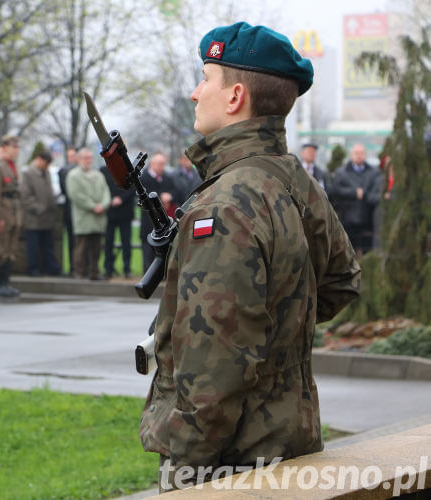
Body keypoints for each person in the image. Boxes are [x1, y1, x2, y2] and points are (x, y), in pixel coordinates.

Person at [139, 22, 361, 492]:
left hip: (233, 464)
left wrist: (185, 474)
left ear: (235, 96)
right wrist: (278, 328)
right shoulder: (293, 179)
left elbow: (211, 376)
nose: (196, 93)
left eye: (206, 79)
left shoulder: (223, 206)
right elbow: (341, 281)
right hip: (289, 440)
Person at [65, 148, 110, 280]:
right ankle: (80, 272)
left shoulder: (98, 175)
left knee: (96, 247)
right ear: (79, 159)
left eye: (90, 157)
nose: (88, 160)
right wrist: (92, 206)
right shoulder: (73, 175)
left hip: (98, 218)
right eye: (86, 158)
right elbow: (76, 195)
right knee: (81, 247)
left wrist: (103, 205)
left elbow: (106, 192)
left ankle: (94, 271)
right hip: (83, 217)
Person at [331, 143, 383, 255]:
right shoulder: (341, 173)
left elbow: (377, 193)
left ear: (365, 155)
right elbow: (336, 191)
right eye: (356, 153)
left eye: (362, 153)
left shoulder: (375, 172)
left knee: (368, 252)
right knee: (348, 253)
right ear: (351, 155)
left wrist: (364, 194)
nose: (359, 155)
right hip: (347, 220)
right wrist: (354, 193)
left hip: (368, 220)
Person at [0, 135, 22, 297]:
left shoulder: (13, 166)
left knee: (10, 250)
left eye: (17, 147)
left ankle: (7, 283)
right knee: (1, 250)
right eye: (13, 146)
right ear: (5, 147)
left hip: (14, 211)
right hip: (4, 212)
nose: (16, 150)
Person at [20, 150, 60, 276]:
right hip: (34, 218)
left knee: (47, 245)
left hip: (47, 217)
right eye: (45, 163)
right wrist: (39, 208)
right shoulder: (28, 174)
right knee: (33, 246)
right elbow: (25, 196)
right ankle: (33, 268)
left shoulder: (46, 172)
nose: (46, 166)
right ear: (39, 159)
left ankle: (50, 267)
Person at [138, 152, 175, 271]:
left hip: (163, 222)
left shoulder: (167, 178)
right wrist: (159, 197)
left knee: (163, 250)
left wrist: (170, 196)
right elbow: (142, 198)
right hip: (149, 221)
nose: (161, 167)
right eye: (159, 164)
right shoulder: (143, 179)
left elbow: (178, 192)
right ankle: (148, 274)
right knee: (148, 250)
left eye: (163, 164)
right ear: (152, 164)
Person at [100, 156, 135, 278]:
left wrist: (121, 198)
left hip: (125, 211)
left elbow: (133, 188)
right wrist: (110, 199)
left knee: (126, 242)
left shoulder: (128, 169)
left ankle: (127, 269)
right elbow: (101, 188)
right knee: (108, 242)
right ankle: (108, 269)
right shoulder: (103, 170)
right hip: (110, 211)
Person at [58, 147, 77, 274]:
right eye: (69, 156)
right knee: (71, 241)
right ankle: (72, 267)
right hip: (70, 211)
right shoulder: (64, 171)